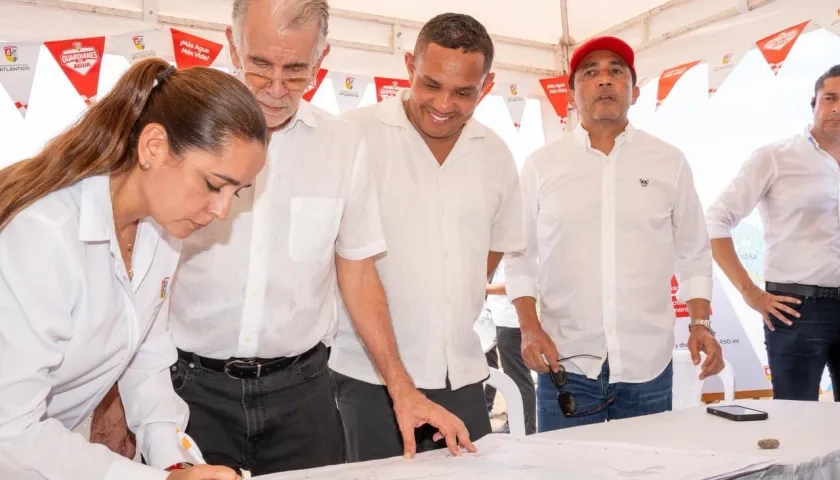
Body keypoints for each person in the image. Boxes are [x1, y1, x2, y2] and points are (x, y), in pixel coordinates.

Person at [98, 1, 467, 476]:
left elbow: (357, 273)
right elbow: (130, 269)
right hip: (187, 388)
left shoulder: (341, 144)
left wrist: (402, 388)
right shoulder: (181, 128)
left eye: (295, 71)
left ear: (321, 58)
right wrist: (114, 394)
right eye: (259, 65)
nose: (275, 89)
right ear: (233, 46)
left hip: (303, 396)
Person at [0, 57, 268, 479]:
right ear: (153, 147)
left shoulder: (162, 232)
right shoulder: (42, 235)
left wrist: (176, 461)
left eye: (235, 193)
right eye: (214, 185)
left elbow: (147, 360)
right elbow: (10, 432)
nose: (221, 210)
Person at [329, 13, 525, 462]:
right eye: (431, 84)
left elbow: (491, 253)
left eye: (464, 92)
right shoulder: (354, 136)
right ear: (408, 66)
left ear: (488, 86)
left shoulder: (496, 154)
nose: (443, 103)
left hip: (463, 376)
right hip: (368, 382)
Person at [504, 36, 724, 432]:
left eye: (616, 71)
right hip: (565, 362)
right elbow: (519, 255)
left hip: (648, 364)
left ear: (635, 92)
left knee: (648, 463)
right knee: (565, 465)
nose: (604, 80)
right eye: (590, 72)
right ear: (571, 96)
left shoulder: (669, 161)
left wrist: (700, 323)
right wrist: (529, 329)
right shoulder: (541, 165)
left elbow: (694, 251)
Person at [706, 65, 840, 402]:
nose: (838, 108)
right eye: (830, 98)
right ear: (814, 103)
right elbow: (715, 221)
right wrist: (749, 292)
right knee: (795, 417)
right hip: (796, 309)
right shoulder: (776, 157)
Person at [482, 259, 537, 435]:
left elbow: (514, 285)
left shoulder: (516, 256)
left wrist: (484, 288)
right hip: (502, 321)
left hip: (513, 323)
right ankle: (515, 422)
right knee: (513, 378)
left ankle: (525, 428)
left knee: (519, 380)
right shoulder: (502, 257)